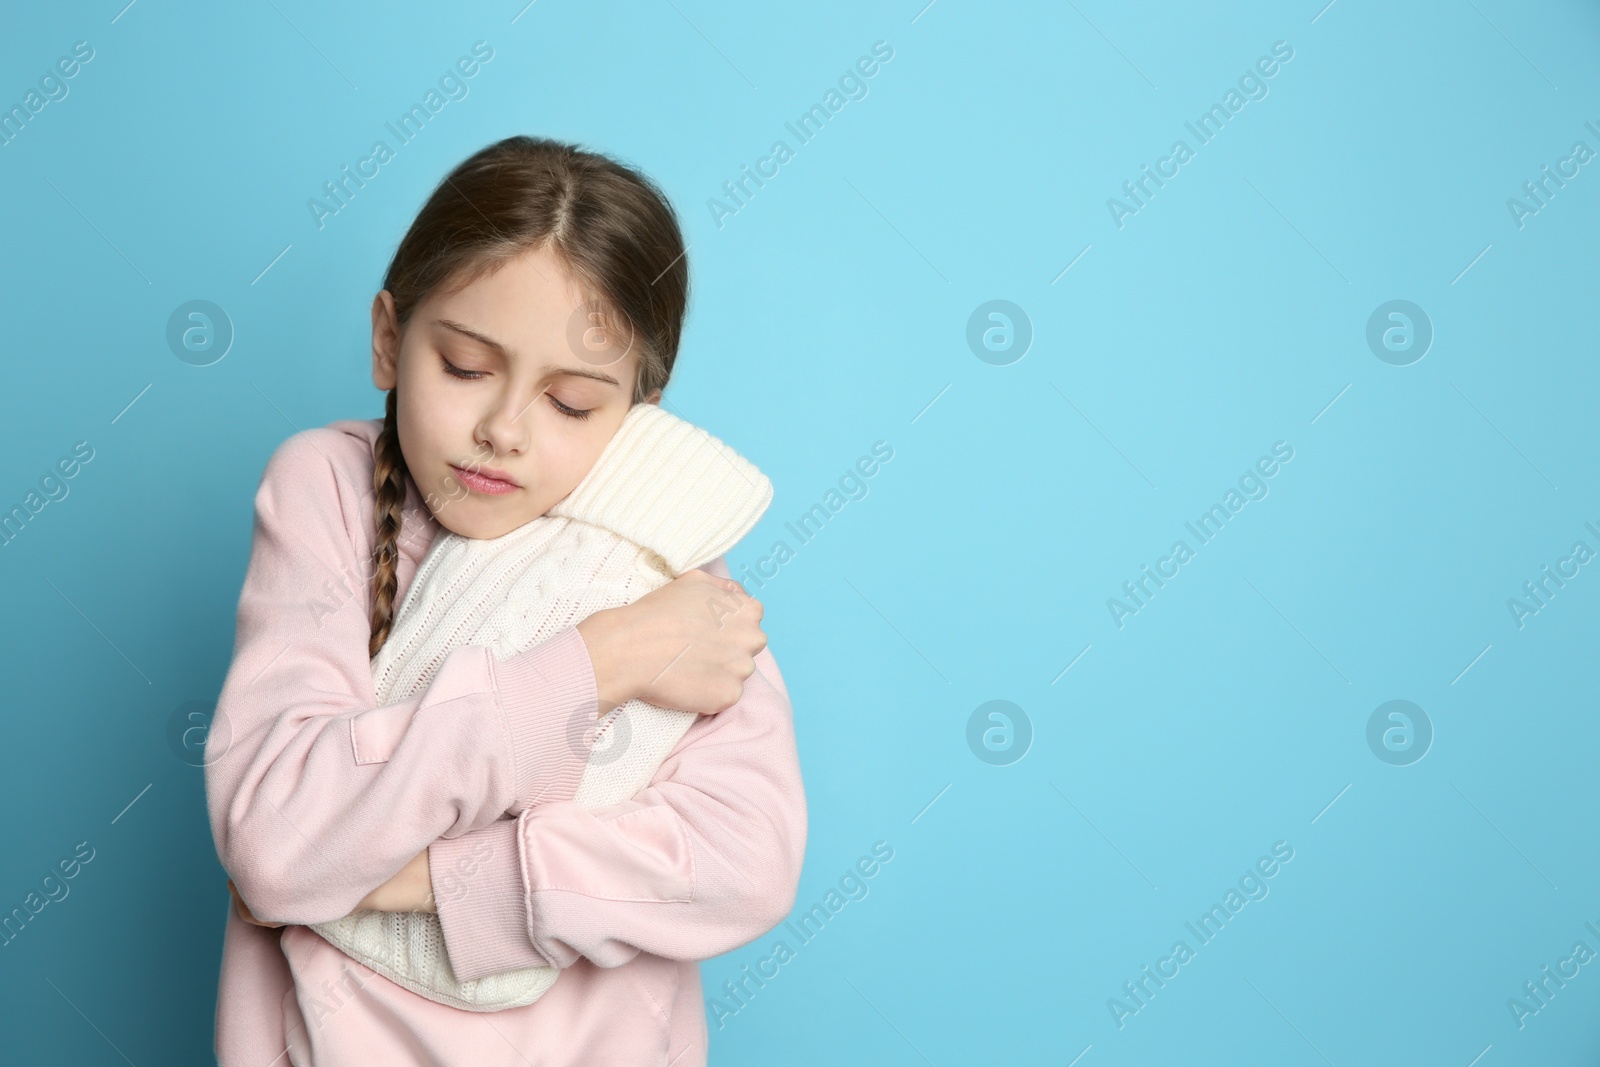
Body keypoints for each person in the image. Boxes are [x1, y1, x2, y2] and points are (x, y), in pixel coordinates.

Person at [205, 134, 807, 1067]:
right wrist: (598, 663)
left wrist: (413, 881)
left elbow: (741, 864)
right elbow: (278, 841)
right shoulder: (327, 490)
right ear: (387, 339)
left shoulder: (665, 563)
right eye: (466, 367)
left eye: (571, 405)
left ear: (642, 412)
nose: (504, 430)